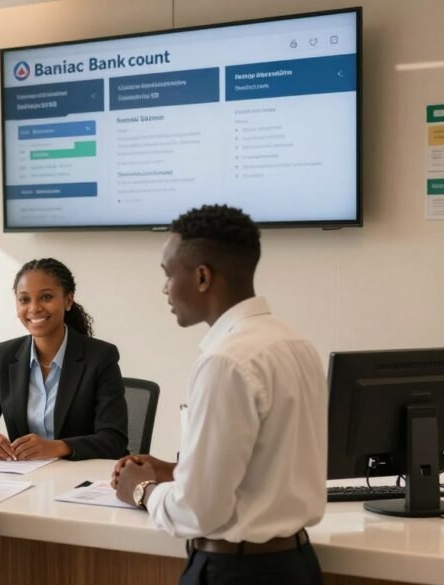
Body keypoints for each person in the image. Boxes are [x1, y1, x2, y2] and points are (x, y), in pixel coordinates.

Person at [113, 205, 327, 585]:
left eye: (167, 274)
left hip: (237, 572)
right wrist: (180, 471)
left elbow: (199, 510)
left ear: (201, 277)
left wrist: (143, 490)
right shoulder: (297, 344)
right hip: (298, 565)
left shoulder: (225, 361)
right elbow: (266, 468)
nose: (164, 288)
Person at [0, 258, 128, 461]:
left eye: (46, 297)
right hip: (27, 478)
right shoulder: (5, 355)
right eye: (24, 299)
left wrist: (58, 447)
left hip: (81, 479)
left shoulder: (100, 357)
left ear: (68, 300)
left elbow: (113, 439)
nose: (34, 308)